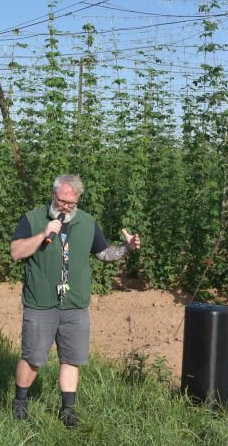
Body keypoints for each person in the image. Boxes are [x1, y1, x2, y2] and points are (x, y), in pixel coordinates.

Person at [10, 175, 141, 428]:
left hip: (75, 304)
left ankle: (68, 411)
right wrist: (43, 235)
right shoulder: (33, 219)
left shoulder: (88, 222)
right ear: (53, 195)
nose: (66, 207)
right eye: (61, 201)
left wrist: (126, 249)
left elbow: (104, 253)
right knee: (32, 358)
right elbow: (16, 252)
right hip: (41, 303)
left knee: (71, 359)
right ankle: (20, 403)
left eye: (71, 202)